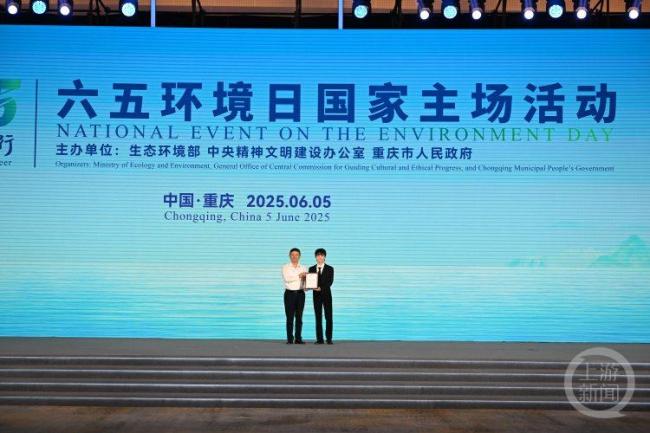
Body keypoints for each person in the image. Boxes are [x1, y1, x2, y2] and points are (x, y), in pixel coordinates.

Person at [309, 248, 334, 344]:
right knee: (318, 317)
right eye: (318, 255)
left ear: (325, 257)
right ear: (315, 257)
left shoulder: (330, 268)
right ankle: (319, 339)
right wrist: (308, 287)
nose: (319, 257)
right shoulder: (311, 268)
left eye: (321, 255)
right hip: (316, 295)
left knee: (328, 317)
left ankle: (329, 338)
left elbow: (330, 282)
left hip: (327, 295)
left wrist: (321, 288)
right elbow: (310, 281)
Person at [281, 247, 307, 344]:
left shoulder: (304, 267)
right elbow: (287, 279)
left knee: (299, 317)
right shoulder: (285, 267)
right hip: (289, 294)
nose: (294, 256)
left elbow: (305, 280)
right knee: (290, 317)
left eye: (296, 255)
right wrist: (299, 276)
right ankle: (289, 339)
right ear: (289, 256)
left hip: (300, 294)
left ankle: (298, 338)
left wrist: (307, 287)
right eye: (292, 255)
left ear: (299, 256)